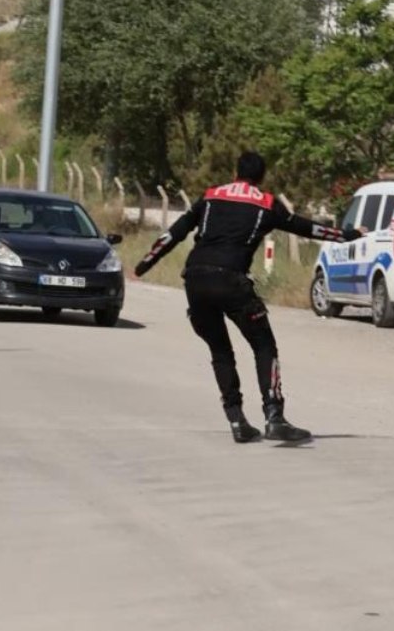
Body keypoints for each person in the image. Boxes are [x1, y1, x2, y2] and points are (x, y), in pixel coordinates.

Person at [134, 152, 363, 444]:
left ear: (235, 172)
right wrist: (348, 235)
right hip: (231, 280)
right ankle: (274, 417)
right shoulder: (266, 203)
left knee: (220, 350)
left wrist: (144, 265)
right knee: (264, 345)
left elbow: (173, 234)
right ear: (262, 176)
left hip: (195, 278)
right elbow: (307, 227)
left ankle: (236, 420)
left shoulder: (211, 197)